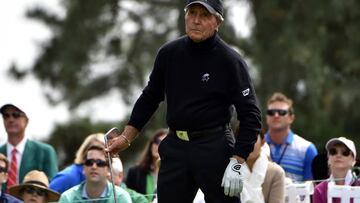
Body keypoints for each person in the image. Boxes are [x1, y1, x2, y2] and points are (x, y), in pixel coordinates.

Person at [105, 0, 262, 202]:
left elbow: (251, 116)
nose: (196, 20)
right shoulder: (169, 53)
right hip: (176, 148)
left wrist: (238, 161)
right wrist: (126, 137)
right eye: (192, 13)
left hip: (214, 147)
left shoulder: (230, 60)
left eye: (204, 15)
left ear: (217, 22)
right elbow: (150, 97)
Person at [0, 103, 58, 191]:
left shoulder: (45, 151)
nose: (10, 119)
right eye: (6, 116)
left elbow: (52, 188)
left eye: (16, 115)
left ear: (26, 120)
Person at [264, 92, 318, 182]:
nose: (276, 115)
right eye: (271, 112)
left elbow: (311, 190)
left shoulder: (307, 149)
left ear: (291, 118)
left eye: (282, 112)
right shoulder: (255, 146)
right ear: (266, 117)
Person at [58, 145, 131, 203]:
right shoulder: (67, 198)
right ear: (83, 168)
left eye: (100, 163)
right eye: (89, 162)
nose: (94, 166)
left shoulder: (121, 197)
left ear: (109, 170)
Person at [240, 131, 285, 203]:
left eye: (253, 139)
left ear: (262, 142)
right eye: (244, 139)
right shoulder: (229, 172)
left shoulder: (276, 172)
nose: (248, 144)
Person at [313, 137, 360, 203]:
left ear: (353, 161)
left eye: (345, 152)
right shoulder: (319, 190)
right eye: (333, 152)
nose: (338, 155)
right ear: (328, 159)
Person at [125, 129, 167, 200]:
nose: (158, 145)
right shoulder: (135, 172)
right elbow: (127, 193)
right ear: (151, 144)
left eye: (163, 142)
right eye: (157, 141)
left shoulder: (174, 172)